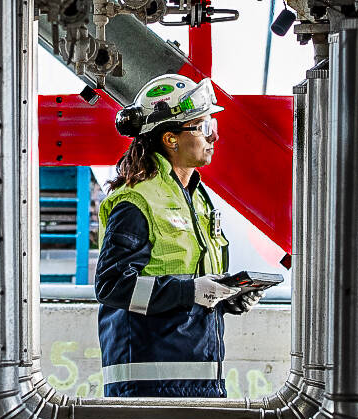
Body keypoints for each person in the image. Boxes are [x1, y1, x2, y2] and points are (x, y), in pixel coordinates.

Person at [92, 74, 266, 398]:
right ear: (171, 139)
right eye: (202, 127)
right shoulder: (137, 202)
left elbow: (187, 291)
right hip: (149, 385)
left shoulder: (196, 198)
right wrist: (191, 291)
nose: (213, 136)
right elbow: (111, 286)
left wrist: (225, 298)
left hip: (200, 380)